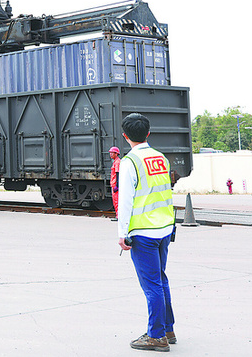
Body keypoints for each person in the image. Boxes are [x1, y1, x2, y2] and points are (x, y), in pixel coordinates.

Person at [117, 113, 176, 352]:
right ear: (148, 133)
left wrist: (123, 233)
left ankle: (156, 336)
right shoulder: (161, 158)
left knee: (152, 285)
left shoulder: (129, 162)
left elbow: (126, 201)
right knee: (161, 280)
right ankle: (167, 329)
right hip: (164, 229)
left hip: (143, 232)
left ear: (125, 136)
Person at [109, 146, 121, 212]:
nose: (110, 154)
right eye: (110, 153)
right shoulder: (115, 161)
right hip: (114, 184)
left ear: (116, 154)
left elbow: (118, 174)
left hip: (115, 184)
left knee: (116, 201)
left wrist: (117, 185)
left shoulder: (117, 162)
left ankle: (118, 216)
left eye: (112, 153)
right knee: (115, 200)